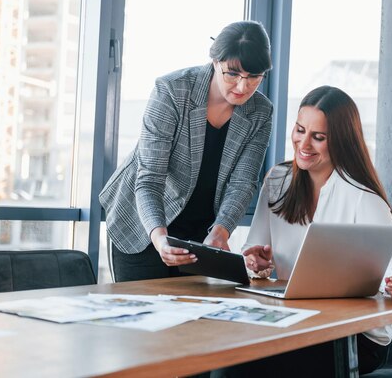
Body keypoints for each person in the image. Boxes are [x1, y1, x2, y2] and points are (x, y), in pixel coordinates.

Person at [216, 86, 392, 377]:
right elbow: (254, 255)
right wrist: (257, 263)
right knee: (224, 355)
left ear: (341, 142)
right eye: (300, 130)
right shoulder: (277, 180)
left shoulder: (363, 198)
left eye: (318, 137)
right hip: (293, 321)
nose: (304, 143)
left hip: (354, 336)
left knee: (244, 366)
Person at [99, 21, 273, 282]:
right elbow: (149, 179)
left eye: (253, 78)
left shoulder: (260, 111)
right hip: (142, 224)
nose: (242, 87)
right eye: (232, 74)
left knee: (191, 317)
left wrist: (221, 232)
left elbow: (243, 183)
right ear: (215, 61)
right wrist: (160, 239)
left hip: (199, 232)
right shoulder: (172, 90)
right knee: (143, 316)